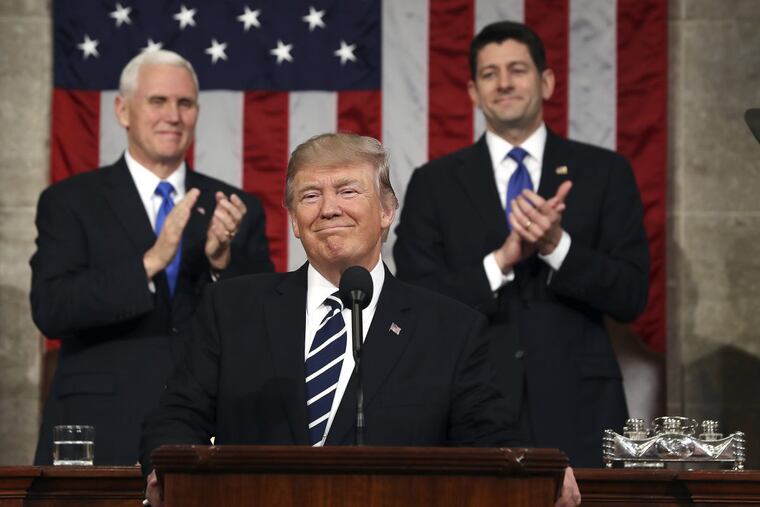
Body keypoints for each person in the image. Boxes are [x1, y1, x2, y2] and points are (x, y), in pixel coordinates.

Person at [140, 133, 580, 507]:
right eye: (311, 196)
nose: (329, 208)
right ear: (294, 220)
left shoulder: (450, 327)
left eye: (348, 191)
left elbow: (491, 439)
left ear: (387, 211)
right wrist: (166, 468)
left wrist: (539, 471)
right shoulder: (231, 308)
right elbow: (176, 416)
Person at [393, 21, 650, 467]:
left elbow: (631, 295)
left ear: (546, 81)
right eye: (490, 74)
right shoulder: (433, 183)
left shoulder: (604, 172)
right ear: (473, 92)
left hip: (581, 410)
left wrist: (557, 246)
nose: (505, 83)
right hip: (470, 405)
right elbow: (415, 302)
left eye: (517, 69)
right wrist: (500, 262)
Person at [30, 50, 274, 466]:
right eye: (158, 101)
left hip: (203, 430)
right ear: (123, 111)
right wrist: (149, 262)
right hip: (100, 427)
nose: (173, 116)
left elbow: (264, 325)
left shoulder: (234, 208)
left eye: (185, 103)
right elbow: (52, 308)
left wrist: (221, 264)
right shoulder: (70, 201)